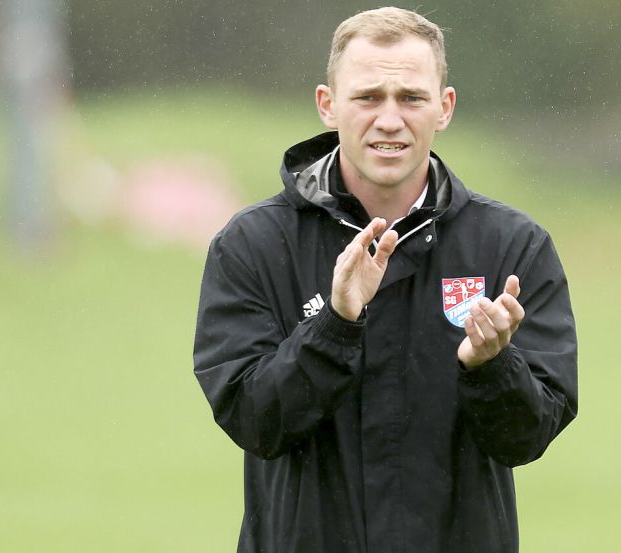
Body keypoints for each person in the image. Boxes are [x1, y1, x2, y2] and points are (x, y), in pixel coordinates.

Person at [193, 7, 577, 553]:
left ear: (444, 108)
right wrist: (334, 326)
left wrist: (492, 367)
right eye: (368, 97)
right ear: (328, 104)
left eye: (411, 98)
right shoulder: (252, 245)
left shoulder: (513, 247)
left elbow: (527, 437)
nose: (390, 119)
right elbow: (255, 422)